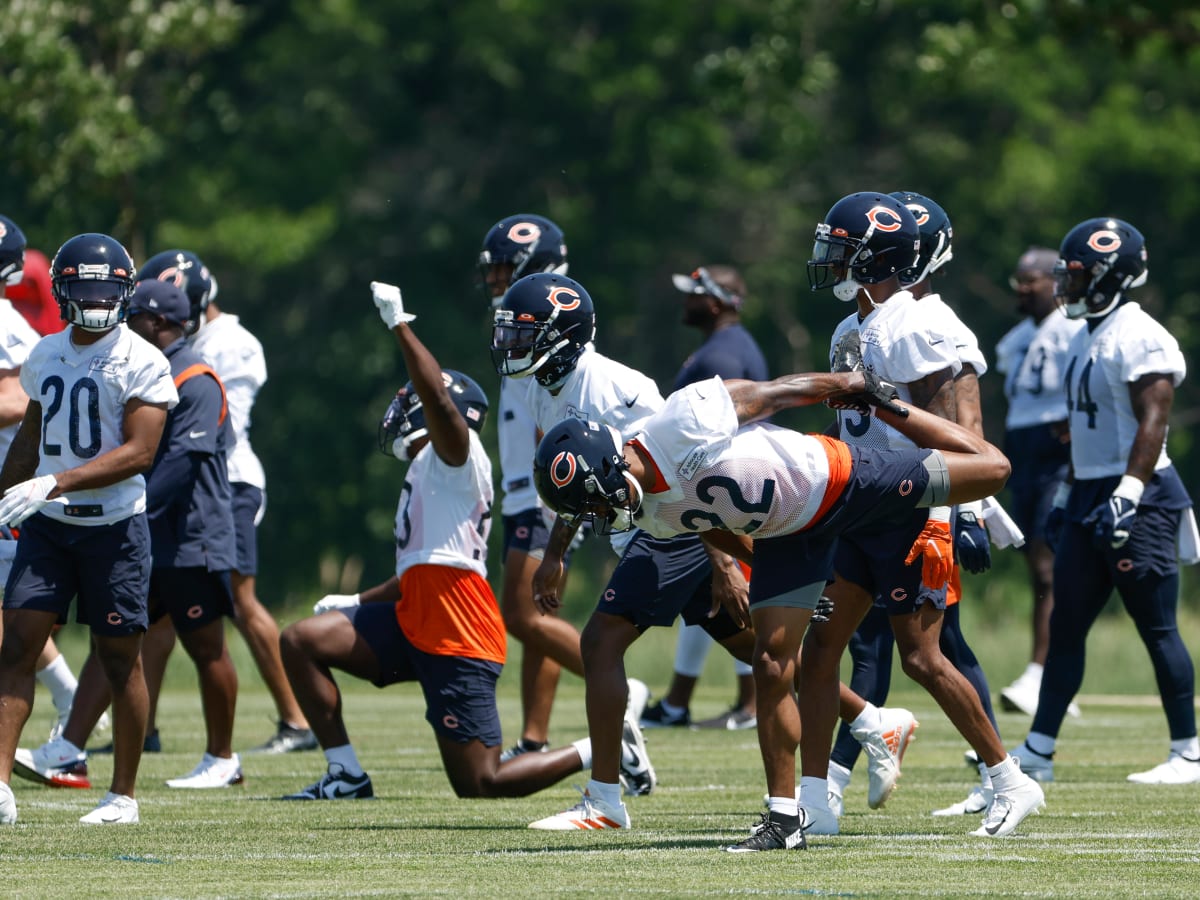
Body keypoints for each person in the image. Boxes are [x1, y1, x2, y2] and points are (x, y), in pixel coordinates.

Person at [531, 358, 1016, 850]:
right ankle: (788, 819)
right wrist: (757, 566)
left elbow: (776, 392)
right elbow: (711, 522)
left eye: (591, 502)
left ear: (609, 467)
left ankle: (1011, 782)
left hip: (838, 480)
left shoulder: (681, 420)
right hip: (787, 532)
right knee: (770, 662)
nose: (596, 516)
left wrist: (852, 387)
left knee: (993, 469)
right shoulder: (649, 515)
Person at [278, 281, 635, 805]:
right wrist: (357, 602)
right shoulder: (427, 468)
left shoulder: (457, 456)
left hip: (455, 630)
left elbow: (440, 406)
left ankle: (606, 747)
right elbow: (422, 568)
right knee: (301, 641)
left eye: (412, 399)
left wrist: (401, 326)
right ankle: (346, 774)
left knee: (480, 782)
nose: (403, 409)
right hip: (414, 617)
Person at [796, 192, 1045, 845]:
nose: (828, 261)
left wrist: (966, 511)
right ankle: (815, 800)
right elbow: (850, 422)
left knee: (922, 659)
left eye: (841, 250)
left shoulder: (916, 325)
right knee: (819, 648)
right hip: (861, 505)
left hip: (910, 508)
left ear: (877, 257)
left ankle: (1011, 780)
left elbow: (956, 434)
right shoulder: (851, 329)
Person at [493, 271, 752, 831]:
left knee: (600, 643)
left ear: (560, 336)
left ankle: (604, 800)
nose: (510, 346)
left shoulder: (616, 388)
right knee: (761, 651)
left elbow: (684, 474)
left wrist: (724, 560)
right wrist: (558, 552)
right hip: (646, 532)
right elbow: (575, 483)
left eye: (523, 333)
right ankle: (874, 721)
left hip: (674, 528)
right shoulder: (540, 387)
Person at [1010, 217, 1200, 785]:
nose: (1064, 286)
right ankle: (1038, 751)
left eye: (1072, 275)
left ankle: (1188, 751)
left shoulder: (1139, 334)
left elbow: (1154, 422)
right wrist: (1072, 489)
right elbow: (1087, 430)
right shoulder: (1089, 332)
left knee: (1156, 626)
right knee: (1066, 623)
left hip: (1135, 491)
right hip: (1092, 487)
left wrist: (1130, 491)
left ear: (1107, 276)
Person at [0, 233, 177, 826]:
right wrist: (7, 492)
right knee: (18, 646)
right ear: (61, 291)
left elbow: (141, 452)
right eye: (84, 287)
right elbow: (31, 434)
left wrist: (55, 483)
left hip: (113, 530)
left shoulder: (144, 359)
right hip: (49, 528)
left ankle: (122, 794)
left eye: (106, 288)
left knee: (120, 658)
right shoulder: (46, 352)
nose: (96, 299)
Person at [137, 249, 317, 754]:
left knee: (237, 599)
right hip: (186, 480)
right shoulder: (191, 340)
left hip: (227, 481)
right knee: (156, 608)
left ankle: (297, 719)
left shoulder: (232, 343)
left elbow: (218, 423)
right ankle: (142, 727)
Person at [474, 215, 587, 762]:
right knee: (542, 615)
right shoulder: (527, 315)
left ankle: (620, 686)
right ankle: (535, 736)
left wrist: (554, 491)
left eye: (503, 268)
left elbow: (557, 416)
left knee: (521, 615)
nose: (495, 280)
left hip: (546, 492)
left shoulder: (552, 320)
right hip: (529, 489)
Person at [639, 265, 767, 732]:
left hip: (722, 491)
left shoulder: (724, 358)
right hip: (713, 492)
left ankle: (753, 703)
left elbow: (711, 444)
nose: (686, 302)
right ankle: (678, 702)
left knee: (733, 594)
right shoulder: (719, 350)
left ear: (715, 302)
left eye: (694, 294)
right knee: (706, 598)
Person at [994, 246, 1084, 718]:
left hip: (1058, 450)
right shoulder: (1015, 339)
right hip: (1025, 452)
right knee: (1035, 561)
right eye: (1020, 280)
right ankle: (1053, 671)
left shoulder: (1075, 328)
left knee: (1050, 561)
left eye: (1033, 279)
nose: (1024, 288)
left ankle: (1043, 669)